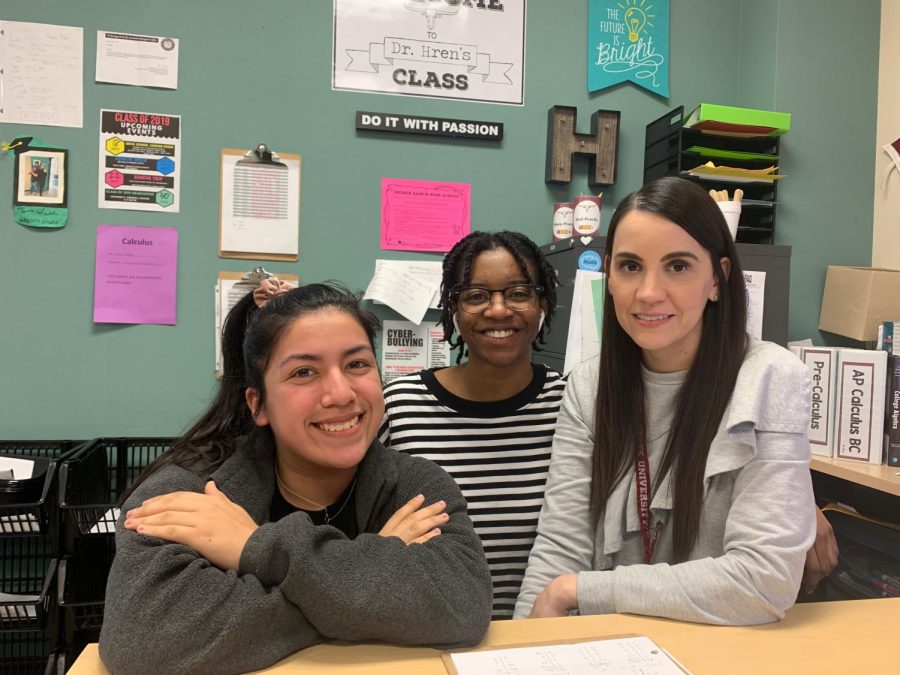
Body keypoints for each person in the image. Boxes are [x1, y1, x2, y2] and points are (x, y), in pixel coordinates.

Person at [99, 283, 492, 675]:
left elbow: (463, 605)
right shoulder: (186, 491)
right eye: (304, 372)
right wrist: (377, 571)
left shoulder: (417, 486)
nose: (340, 394)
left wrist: (256, 546)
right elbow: (144, 644)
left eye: (357, 364)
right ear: (258, 404)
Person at [514, 176, 823, 625]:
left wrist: (582, 590)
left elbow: (764, 579)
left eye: (678, 266)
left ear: (718, 279)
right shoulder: (589, 386)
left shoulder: (769, 378)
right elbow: (560, 549)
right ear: (610, 277)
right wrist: (522, 649)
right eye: (630, 266)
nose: (648, 293)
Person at [378, 231, 566, 619]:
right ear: (454, 310)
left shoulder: (572, 405)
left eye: (518, 292)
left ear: (542, 302)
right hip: (426, 638)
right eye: (476, 296)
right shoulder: (399, 406)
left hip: (541, 638)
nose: (498, 310)